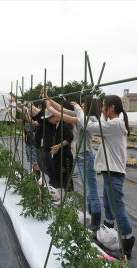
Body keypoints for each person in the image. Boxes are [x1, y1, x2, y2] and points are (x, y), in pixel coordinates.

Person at [73, 95, 135, 259]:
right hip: (111, 171)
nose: (101, 109)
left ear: (112, 108)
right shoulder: (115, 123)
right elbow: (99, 121)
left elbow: (90, 127)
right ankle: (107, 234)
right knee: (109, 204)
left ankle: (127, 243)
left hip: (114, 172)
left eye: (103, 106)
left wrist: (79, 110)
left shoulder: (114, 124)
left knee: (117, 207)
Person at [46, 95, 101, 231]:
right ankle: (92, 218)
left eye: (84, 105)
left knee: (92, 190)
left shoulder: (90, 120)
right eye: (81, 104)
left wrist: (49, 108)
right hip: (81, 157)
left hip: (86, 157)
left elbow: (65, 116)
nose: (81, 106)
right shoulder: (81, 116)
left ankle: (95, 222)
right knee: (88, 190)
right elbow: (63, 110)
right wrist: (49, 99)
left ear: (90, 107)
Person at [43, 107, 74, 192]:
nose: (48, 120)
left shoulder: (63, 124)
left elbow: (70, 137)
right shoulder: (55, 125)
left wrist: (58, 146)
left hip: (65, 156)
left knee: (67, 178)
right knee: (59, 177)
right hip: (58, 155)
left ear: (56, 116)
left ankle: (69, 200)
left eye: (49, 118)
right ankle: (60, 198)